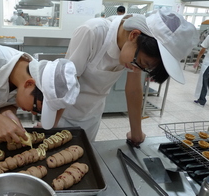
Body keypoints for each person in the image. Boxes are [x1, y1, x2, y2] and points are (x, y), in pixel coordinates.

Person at [53, 8, 198, 145]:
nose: (137, 69)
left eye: (145, 68)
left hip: (92, 115)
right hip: (63, 113)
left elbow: (134, 90)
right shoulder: (93, 32)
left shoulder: (136, 45)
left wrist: (137, 133)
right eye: (141, 62)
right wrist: (50, 126)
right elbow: (67, 84)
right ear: (133, 35)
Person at [194, 34, 209, 106]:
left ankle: (201, 100)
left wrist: (197, 60)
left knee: (204, 82)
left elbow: (203, 50)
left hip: (208, 65)